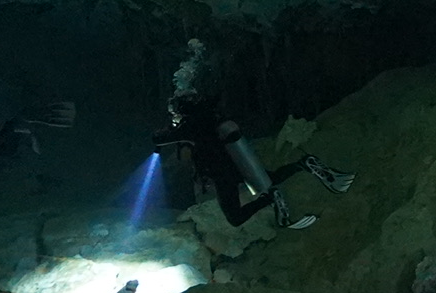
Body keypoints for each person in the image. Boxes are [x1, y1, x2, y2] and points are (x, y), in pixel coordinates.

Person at [151, 92, 353, 230]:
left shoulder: (190, 127)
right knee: (269, 178)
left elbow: (160, 138)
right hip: (238, 163)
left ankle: (269, 199)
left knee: (235, 218)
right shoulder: (211, 118)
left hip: (222, 175)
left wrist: (164, 134)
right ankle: (304, 164)